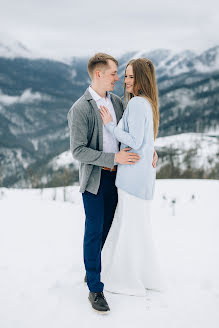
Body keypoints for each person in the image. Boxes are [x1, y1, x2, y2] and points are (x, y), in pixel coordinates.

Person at [67, 53, 158, 313]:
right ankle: (95, 287)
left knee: (110, 230)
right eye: (114, 74)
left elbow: (134, 132)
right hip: (95, 181)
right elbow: (78, 151)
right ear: (99, 74)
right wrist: (112, 157)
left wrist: (151, 148)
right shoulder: (81, 109)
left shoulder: (118, 103)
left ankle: (96, 266)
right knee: (94, 231)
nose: (118, 79)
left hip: (119, 179)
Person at [100, 58, 163, 296]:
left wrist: (110, 125)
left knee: (128, 227)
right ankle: (143, 274)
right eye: (125, 76)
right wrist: (151, 150)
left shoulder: (137, 104)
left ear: (141, 80)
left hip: (131, 177)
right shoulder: (147, 103)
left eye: (131, 77)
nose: (126, 81)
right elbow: (145, 139)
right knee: (137, 227)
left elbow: (135, 141)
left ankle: (125, 277)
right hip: (142, 177)